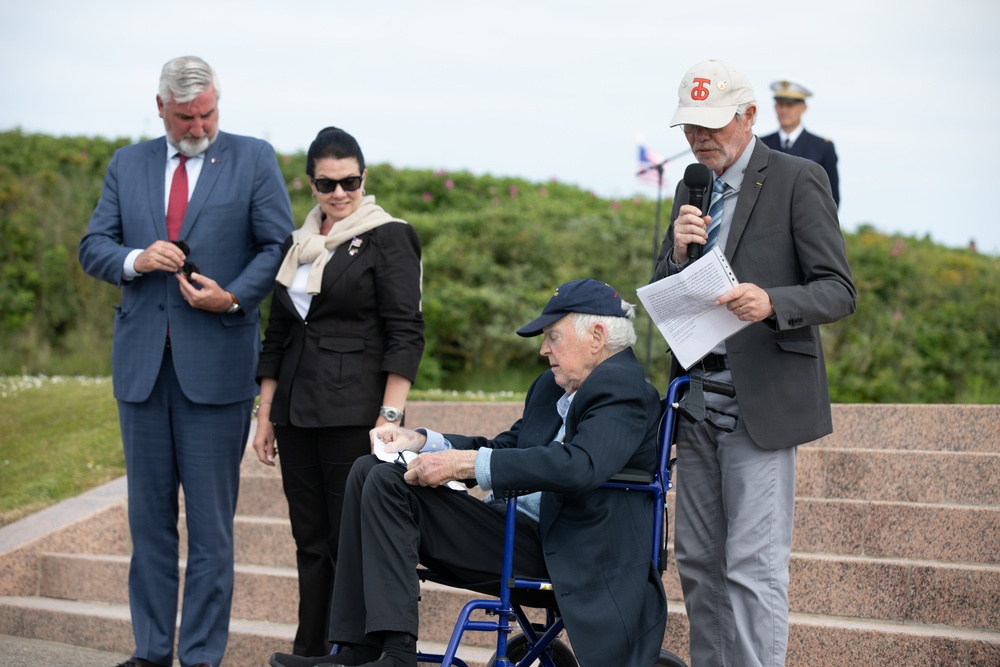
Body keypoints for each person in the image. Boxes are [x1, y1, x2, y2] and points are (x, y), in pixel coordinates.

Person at [269, 278, 668, 667]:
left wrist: (463, 464)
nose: (544, 349)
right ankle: (361, 648)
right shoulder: (551, 387)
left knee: (389, 483)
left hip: (567, 550)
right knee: (368, 469)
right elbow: (506, 448)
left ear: (596, 336)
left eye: (553, 336)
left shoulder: (624, 391)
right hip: (512, 529)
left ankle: (397, 654)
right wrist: (423, 441)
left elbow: (580, 466)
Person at [78, 56, 295, 667]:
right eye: (186, 117)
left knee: (210, 530)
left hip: (218, 372)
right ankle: (150, 652)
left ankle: (199, 656)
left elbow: (277, 245)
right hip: (142, 372)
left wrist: (233, 298)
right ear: (160, 109)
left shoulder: (253, 158)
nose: (199, 127)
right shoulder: (128, 163)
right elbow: (94, 245)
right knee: (148, 526)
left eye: (208, 114)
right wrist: (134, 260)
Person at [652, 60, 856, 667]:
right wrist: (678, 253)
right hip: (696, 403)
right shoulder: (694, 187)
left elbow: (838, 290)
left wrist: (773, 303)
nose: (699, 138)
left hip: (758, 404)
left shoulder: (798, 178)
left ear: (749, 116)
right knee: (696, 561)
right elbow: (670, 291)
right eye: (689, 126)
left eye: (712, 124)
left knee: (751, 567)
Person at [251, 126, 425, 656]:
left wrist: (390, 415)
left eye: (349, 180)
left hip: (354, 412)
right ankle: (310, 649)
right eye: (328, 184)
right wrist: (265, 414)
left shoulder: (389, 235)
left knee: (347, 540)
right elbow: (278, 333)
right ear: (311, 185)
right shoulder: (297, 246)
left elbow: (406, 331)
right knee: (310, 541)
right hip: (295, 413)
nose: (340, 193)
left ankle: (351, 650)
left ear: (364, 177)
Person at [760, 79, 840, 206]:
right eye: (780, 104)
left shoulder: (822, 147)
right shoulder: (761, 145)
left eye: (790, 105)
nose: (784, 111)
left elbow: (832, 198)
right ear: (775, 107)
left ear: (803, 108)